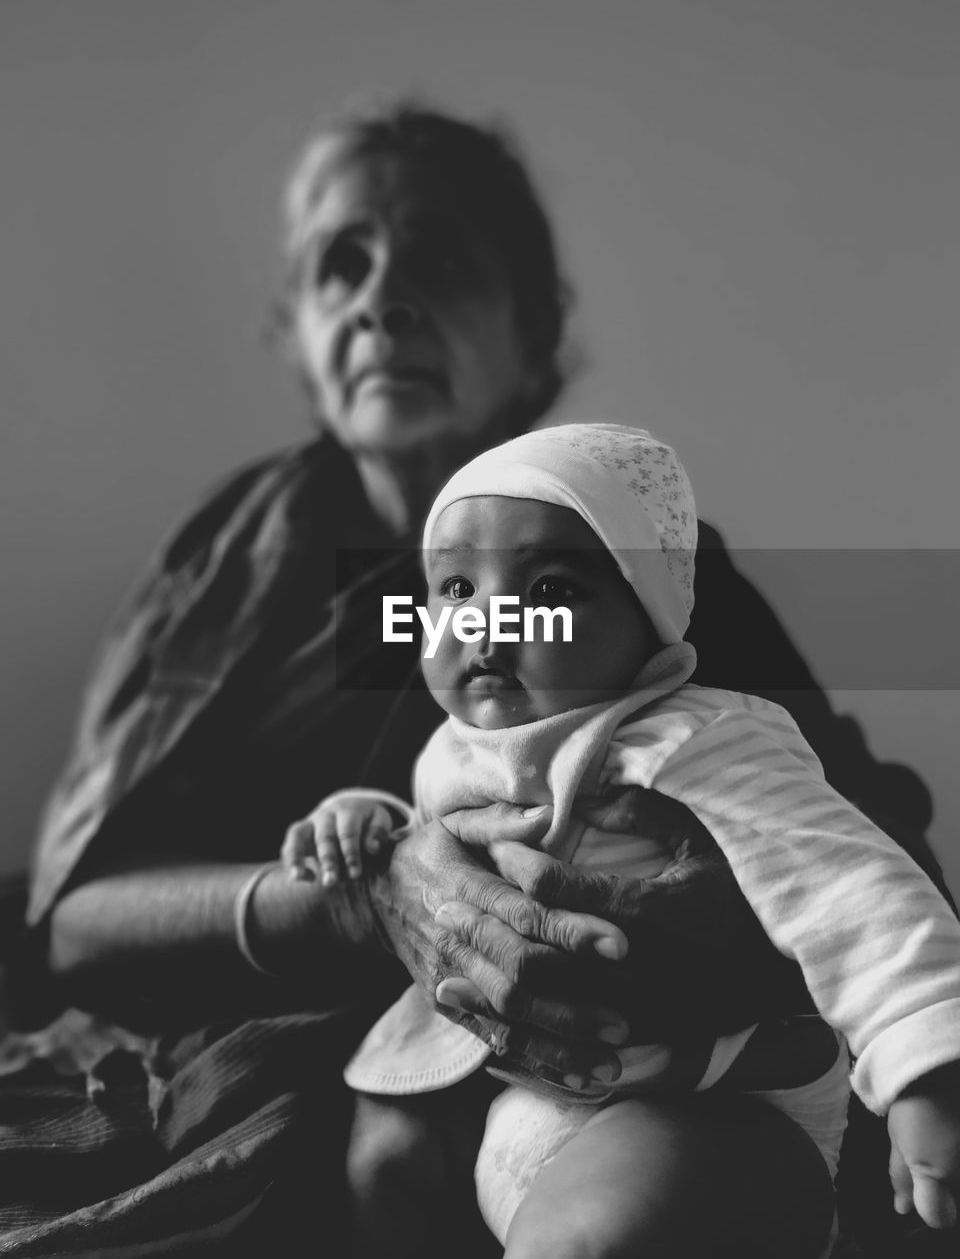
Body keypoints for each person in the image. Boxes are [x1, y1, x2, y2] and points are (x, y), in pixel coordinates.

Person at [0, 101, 944, 1255]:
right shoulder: (226, 564)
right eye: (340, 264)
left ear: (537, 337)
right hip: (310, 1049)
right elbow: (78, 922)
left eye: (440, 260)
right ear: (296, 329)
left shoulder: (649, 580)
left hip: (590, 1075)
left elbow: (868, 845)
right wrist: (377, 888)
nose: (381, 298)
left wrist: (691, 925)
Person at [284, 423, 960, 1259]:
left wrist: (927, 1069)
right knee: (381, 1161)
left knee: (585, 1243)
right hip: (515, 1094)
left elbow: (853, 884)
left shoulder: (700, 739)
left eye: (550, 592)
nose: (488, 622)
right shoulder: (454, 752)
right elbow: (432, 851)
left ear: (648, 620)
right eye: (456, 587)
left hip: (709, 1106)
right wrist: (361, 819)